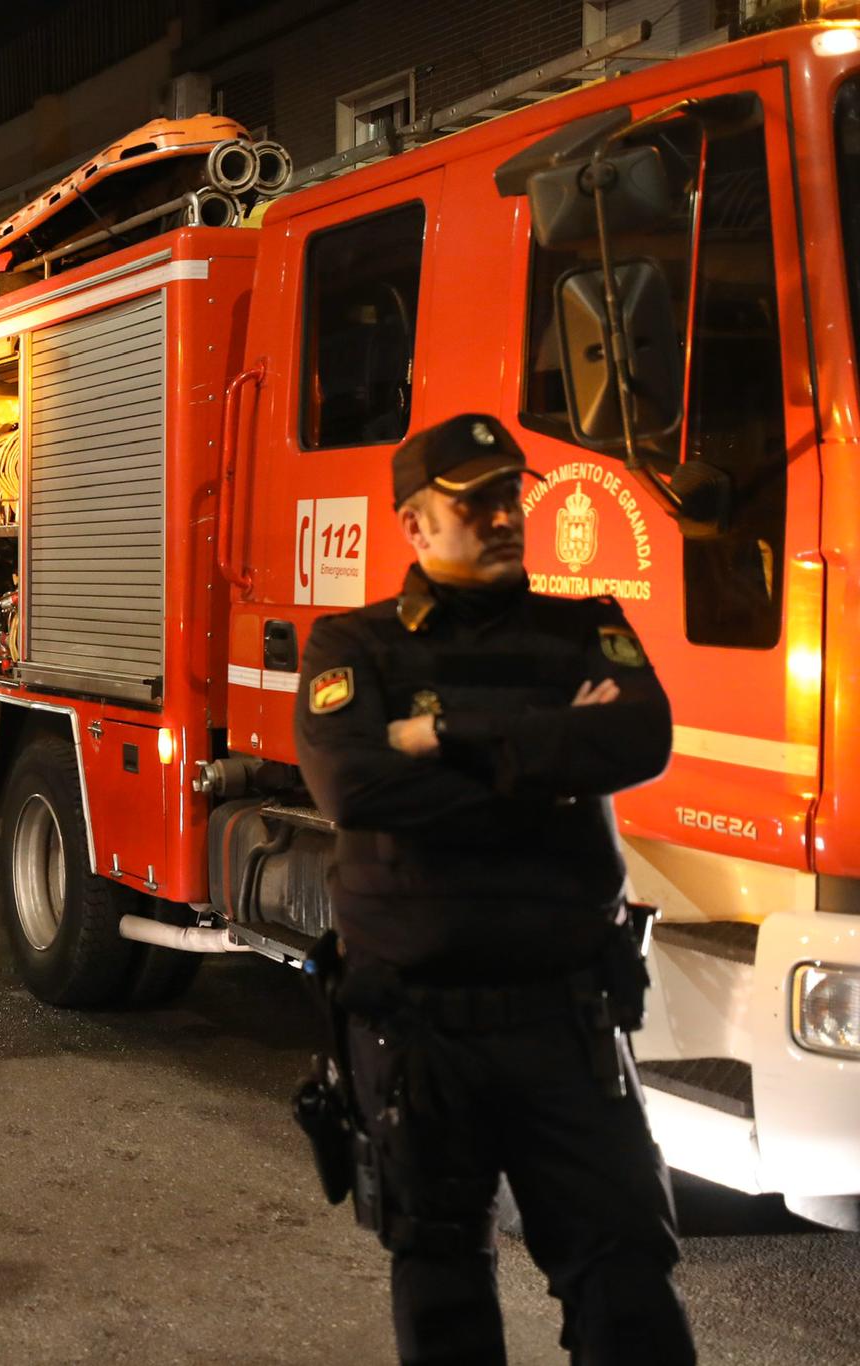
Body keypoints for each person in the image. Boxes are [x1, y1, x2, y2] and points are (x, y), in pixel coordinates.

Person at [293, 413, 695, 1365]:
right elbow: (356, 787)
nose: (505, 515)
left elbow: (638, 742)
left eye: (510, 495)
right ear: (416, 526)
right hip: (419, 1032)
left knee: (626, 1271)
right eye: (475, 501)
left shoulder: (584, 623)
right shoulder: (353, 646)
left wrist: (446, 736)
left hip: (566, 1021)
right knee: (442, 1282)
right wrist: (549, 753)